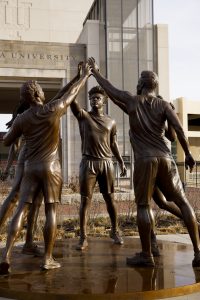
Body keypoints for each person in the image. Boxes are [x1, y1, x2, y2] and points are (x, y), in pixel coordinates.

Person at [88, 57, 200, 268]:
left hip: (145, 161)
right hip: (166, 159)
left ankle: (146, 254)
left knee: (143, 205)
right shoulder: (164, 105)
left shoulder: (132, 101)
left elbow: (110, 90)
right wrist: (187, 154)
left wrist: (95, 72)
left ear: (141, 84)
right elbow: (178, 131)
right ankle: (198, 252)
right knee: (182, 202)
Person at [0, 62, 90, 274]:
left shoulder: (22, 118)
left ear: (26, 98)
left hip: (30, 167)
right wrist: (84, 77)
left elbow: (6, 141)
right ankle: (47, 258)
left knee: (21, 208)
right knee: (51, 210)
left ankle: (6, 254)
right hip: (51, 168)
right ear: (39, 93)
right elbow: (71, 94)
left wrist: (18, 128)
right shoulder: (54, 109)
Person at [70, 85, 127, 250]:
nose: (95, 100)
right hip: (88, 163)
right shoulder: (83, 116)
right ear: (89, 100)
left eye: (98, 97)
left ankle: (115, 231)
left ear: (104, 101)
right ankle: (83, 237)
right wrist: (80, 79)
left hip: (107, 163)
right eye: (92, 97)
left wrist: (121, 161)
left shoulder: (111, 121)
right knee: (85, 201)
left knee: (110, 199)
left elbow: (113, 143)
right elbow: (71, 99)